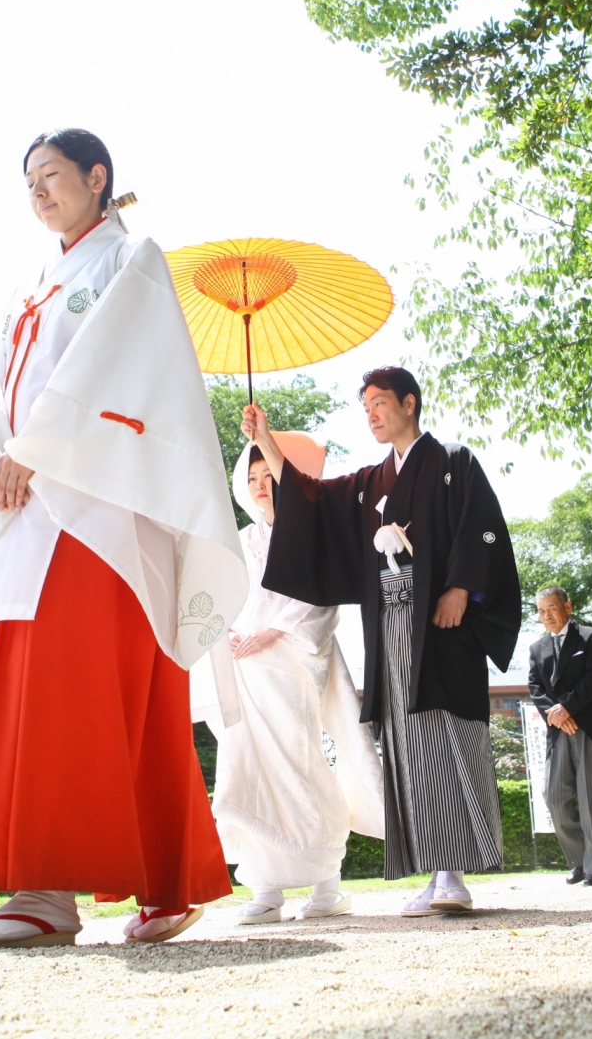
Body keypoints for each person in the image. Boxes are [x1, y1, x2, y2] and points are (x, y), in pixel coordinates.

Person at [0, 129, 243, 948]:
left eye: (51, 176)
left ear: (97, 177)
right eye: (29, 181)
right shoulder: (32, 283)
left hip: (100, 504)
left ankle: (48, 888)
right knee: (53, 680)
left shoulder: (131, 260)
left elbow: (116, 374)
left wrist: (31, 455)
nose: (38, 192)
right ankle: (159, 878)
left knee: (84, 682)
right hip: (28, 507)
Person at [244, 366, 520, 916]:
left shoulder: (454, 463)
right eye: (364, 405)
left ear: (409, 403)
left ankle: (453, 874)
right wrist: (265, 441)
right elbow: (312, 500)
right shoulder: (372, 481)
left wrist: (461, 588)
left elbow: (482, 528)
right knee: (407, 744)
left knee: (446, 734)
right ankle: (437, 870)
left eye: (379, 402)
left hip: (441, 627)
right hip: (390, 630)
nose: (371, 413)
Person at [208, 437, 385, 924]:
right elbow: (225, 596)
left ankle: (326, 882)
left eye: (269, 478)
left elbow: (320, 599)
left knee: (301, 763)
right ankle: (264, 889)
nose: (262, 487)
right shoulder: (241, 540)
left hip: (291, 663)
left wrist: (271, 632)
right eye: (252, 480)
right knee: (250, 766)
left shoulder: (310, 532)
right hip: (246, 666)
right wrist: (231, 633)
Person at [526, 586, 592, 886]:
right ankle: (578, 859)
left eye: (552, 608)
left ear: (568, 606)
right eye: (541, 611)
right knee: (554, 796)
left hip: (588, 727)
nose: (547, 615)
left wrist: (567, 707)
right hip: (558, 730)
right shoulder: (537, 648)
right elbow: (535, 687)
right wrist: (555, 713)